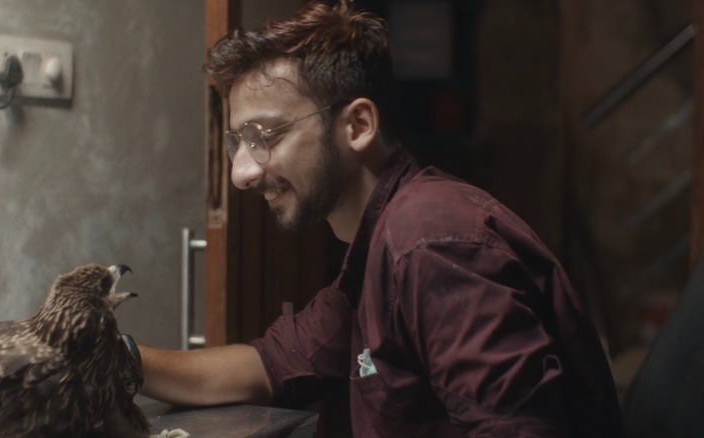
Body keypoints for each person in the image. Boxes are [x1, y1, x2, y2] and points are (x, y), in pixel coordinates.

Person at [137, 1, 624, 436]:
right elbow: (271, 366)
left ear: (358, 126)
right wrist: (117, 357)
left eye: (263, 135)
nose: (242, 172)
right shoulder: (378, 246)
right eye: (238, 143)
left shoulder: (429, 241)